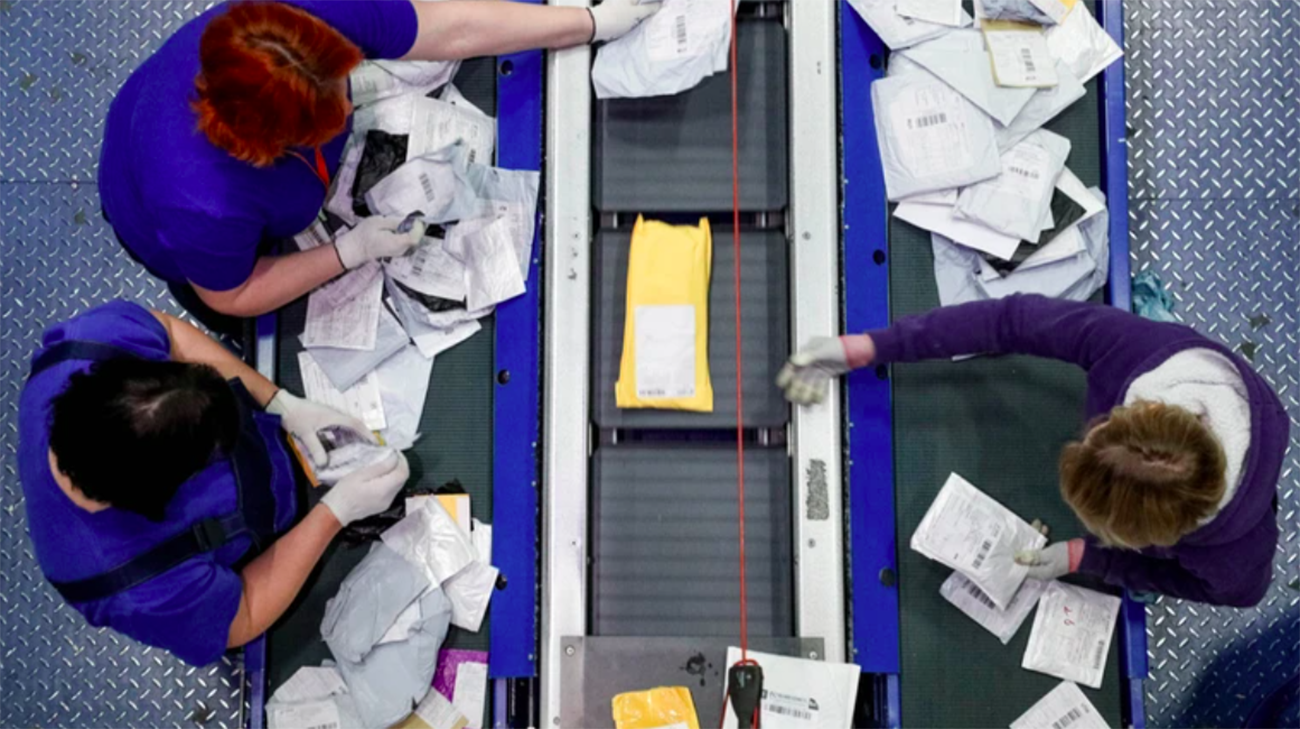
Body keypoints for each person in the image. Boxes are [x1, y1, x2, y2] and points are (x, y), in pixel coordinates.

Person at [98, 0, 660, 330]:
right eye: (328, 120)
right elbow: (232, 294)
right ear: (273, 148)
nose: (349, 108)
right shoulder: (202, 204)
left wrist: (587, 23)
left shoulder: (292, 18)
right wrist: (348, 251)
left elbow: (449, 28)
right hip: (164, 224)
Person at [778, 294, 1287, 608]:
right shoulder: (1136, 351)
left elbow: (1233, 595)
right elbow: (1010, 320)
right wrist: (869, 347)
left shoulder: (1234, 557)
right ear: (1131, 414)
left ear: (1169, 535)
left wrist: (1091, 558)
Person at [18, 300, 412, 665]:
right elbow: (243, 615)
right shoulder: (138, 591)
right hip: (273, 547)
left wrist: (278, 402)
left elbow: (169, 332)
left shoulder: (83, 349)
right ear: (165, 495)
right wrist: (335, 513)